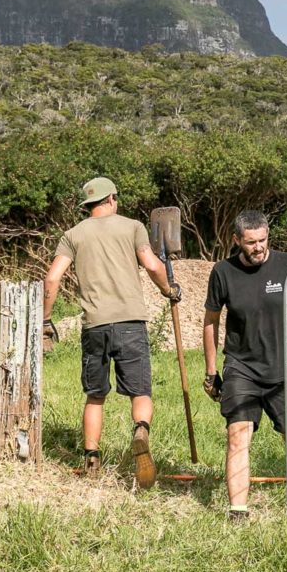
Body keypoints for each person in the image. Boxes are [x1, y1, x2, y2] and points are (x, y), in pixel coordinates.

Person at [42, 176, 181, 489]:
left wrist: (46, 320)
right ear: (112, 199)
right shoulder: (132, 227)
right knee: (140, 391)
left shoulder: (72, 235)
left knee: (95, 395)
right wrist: (169, 289)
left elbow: (51, 279)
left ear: (87, 205)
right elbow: (153, 265)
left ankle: (92, 458)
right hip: (131, 322)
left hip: (95, 325)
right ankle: (140, 430)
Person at [202, 210, 287, 521]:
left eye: (262, 240)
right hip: (242, 368)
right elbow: (211, 321)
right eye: (250, 242)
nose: (258, 247)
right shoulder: (223, 272)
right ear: (236, 240)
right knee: (237, 435)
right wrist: (211, 371)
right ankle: (238, 511)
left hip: (285, 369)